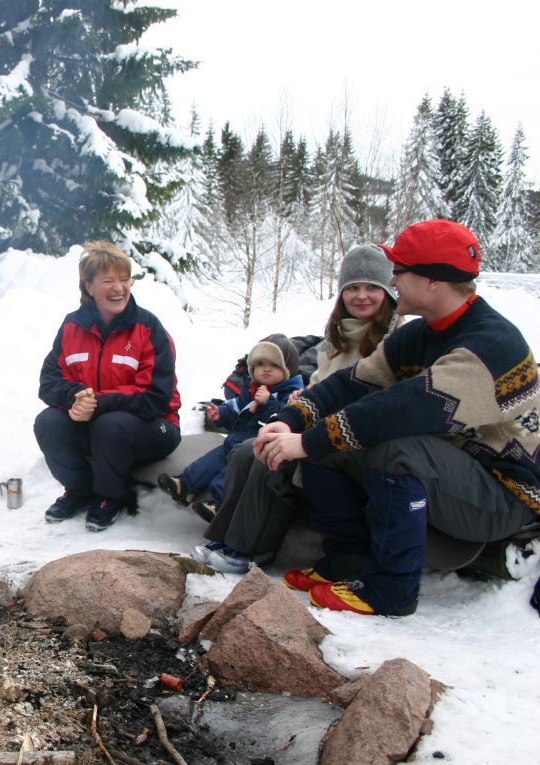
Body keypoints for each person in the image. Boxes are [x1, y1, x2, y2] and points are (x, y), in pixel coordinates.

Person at [256, 220, 539, 616]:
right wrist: (291, 419)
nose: (392, 280)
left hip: (499, 496)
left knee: (393, 445)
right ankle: (347, 559)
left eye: (400, 271)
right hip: (451, 473)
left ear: (432, 282)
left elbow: (405, 408)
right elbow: (352, 383)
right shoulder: (421, 333)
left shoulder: (491, 344)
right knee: (331, 443)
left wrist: (308, 441)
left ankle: (391, 589)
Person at [192, 245, 399, 573]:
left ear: (388, 291)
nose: (362, 296)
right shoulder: (336, 338)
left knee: (273, 455)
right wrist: (303, 399)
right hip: (322, 425)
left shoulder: (396, 338)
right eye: (353, 288)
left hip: (356, 438)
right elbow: (322, 385)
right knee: (250, 449)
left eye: (372, 287)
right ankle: (223, 537)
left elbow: (378, 398)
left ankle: (249, 551)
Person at [35, 241, 182, 531]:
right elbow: (49, 382)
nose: (119, 288)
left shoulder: (148, 327)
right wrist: (76, 397)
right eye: (108, 281)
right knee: (48, 422)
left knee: (110, 424)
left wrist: (98, 403)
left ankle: (110, 496)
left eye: (124, 279)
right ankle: (79, 490)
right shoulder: (72, 327)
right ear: (88, 287)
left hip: (156, 427)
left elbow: (156, 397)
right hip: (98, 425)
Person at [157, 334, 303, 525]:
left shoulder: (290, 395)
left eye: (274, 365)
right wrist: (221, 413)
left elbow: (286, 419)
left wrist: (269, 403)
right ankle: (184, 484)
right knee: (209, 462)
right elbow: (235, 406)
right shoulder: (251, 389)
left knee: (229, 474)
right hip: (234, 441)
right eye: (260, 364)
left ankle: (218, 504)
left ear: (288, 370)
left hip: (254, 451)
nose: (266, 369)